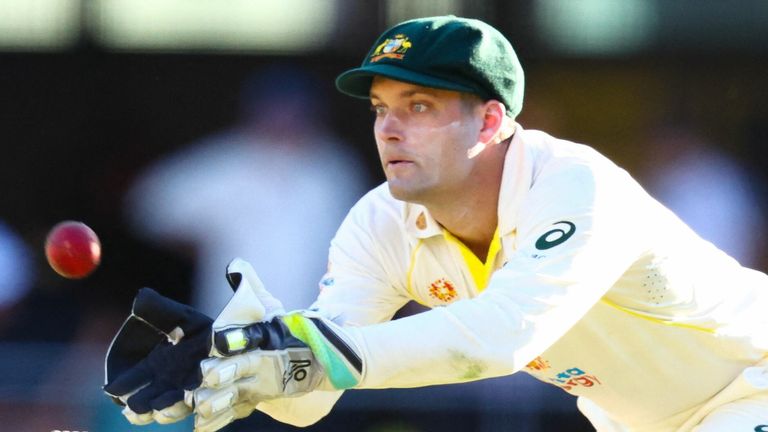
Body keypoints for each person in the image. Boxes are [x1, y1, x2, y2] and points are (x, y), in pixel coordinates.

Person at [104, 16, 768, 432]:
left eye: (418, 105)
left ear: (489, 119)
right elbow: (312, 397)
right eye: (379, 106)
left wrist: (307, 353)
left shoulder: (573, 184)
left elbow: (500, 337)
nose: (388, 128)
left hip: (753, 387)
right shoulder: (378, 224)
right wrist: (244, 360)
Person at [125, 65, 366, 316]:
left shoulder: (334, 168)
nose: (284, 120)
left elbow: (360, 241)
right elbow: (147, 205)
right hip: (233, 323)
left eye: (293, 111)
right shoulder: (227, 162)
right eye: (275, 110)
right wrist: (200, 245)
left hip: (316, 324)